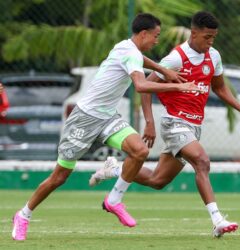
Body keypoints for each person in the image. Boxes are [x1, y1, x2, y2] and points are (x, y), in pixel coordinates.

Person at [11, 13, 203, 241]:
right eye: (156, 36)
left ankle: (113, 200)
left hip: (108, 118)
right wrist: (177, 87)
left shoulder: (125, 47)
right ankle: (23, 215)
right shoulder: (130, 53)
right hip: (83, 118)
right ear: (144, 34)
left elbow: (141, 58)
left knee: (140, 150)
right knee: (59, 177)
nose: (157, 41)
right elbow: (141, 86)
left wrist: (163, 70)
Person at [89, 11, 240, 237]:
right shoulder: (176, 58)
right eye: (207, 37)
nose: (210, 42)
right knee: (202, 162)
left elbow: (219, 87)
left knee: (157, 180)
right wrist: (149, 123)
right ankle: (217, 219)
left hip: (194, 126)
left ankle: (116, 169)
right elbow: (146, 87)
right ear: (194, 33)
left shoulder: (214, 56)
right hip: (174, 122)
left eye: (213, 38)